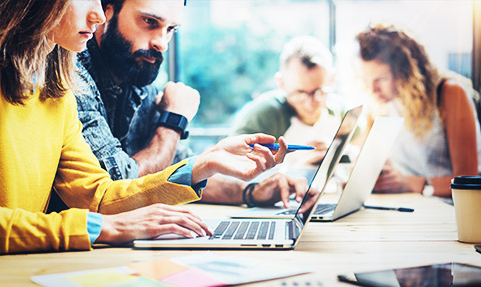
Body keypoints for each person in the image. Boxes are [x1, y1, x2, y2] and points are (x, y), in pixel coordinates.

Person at [0, 0, 288, 259]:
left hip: (16, 267)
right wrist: (102, 228)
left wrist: (203, 165)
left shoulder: (58, 81)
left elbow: (98, 194)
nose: (98, 14)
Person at [74, 0, 308, 208]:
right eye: (149, 21)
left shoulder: (138, 78)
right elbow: (115, 192)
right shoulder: (72, 76)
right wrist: (173, 121)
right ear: (105, 12)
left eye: (170, 29)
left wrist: (252, 192)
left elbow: (179, 173)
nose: (162, 43)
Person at [356, 23, 481, 197]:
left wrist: (415, 184)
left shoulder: (449, 93)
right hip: (416, 207)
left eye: (381, 79)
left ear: (404, 73)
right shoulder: (383, 104)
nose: (372, 89)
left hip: (459, 210)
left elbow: (468, 183)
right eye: (367, 79)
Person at [231, 35, 345, 166]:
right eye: (299, 94)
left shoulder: (341, 113)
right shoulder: (264, 115)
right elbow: (229, 168)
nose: (310, 105)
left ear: (332, 79)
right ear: (281, 83)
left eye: (319, 92)